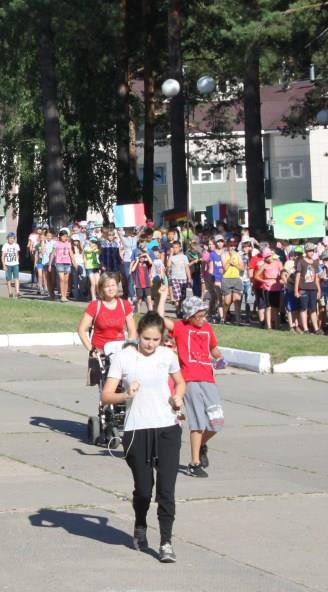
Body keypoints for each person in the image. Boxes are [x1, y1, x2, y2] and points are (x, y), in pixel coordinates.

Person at [101, 312, 186, 563]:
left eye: (155, 339)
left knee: (166, 490)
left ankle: (166, 542)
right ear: (138, 334)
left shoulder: (167, 356)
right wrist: (126, 394)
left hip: (167, 428)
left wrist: (177, 397)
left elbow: (180, 382)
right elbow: (106, 395)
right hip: (137, 430)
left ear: (162, 338)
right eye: (146, 338)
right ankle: (140, 523)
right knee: (144, 490)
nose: (150, 344)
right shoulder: (124, 358)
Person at [156, 293, 225, 478]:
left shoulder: (207, 328)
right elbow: (160, 319)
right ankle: (194, 464)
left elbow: (213, 348)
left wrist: (219, 357)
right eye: (199, 315)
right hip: (189, 379)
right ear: (189, 316)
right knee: (198, 422)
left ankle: (201, 444)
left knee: (217, 422)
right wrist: (163, 297)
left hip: (208, 378)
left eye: (204, 315)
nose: (203, 318)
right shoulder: (181, 327)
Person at [77, 273, 138, 357]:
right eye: (107, 286)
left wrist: (129, 347)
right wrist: (91, 350)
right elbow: (81, 329)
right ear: (101, 288)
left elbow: (132, 330)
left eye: (113, 285)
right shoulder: (94, 306)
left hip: (119, 352)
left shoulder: (125, 305)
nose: (111, 289)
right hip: (99, 353)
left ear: (117, 286)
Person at [294, 243, 322, 333]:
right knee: (304, 308)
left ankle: (316, 328)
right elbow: (297, 277)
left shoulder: (315, 262)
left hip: (313, 288)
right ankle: (305, 328)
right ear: (305, 252)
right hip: (303, 288)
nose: (311, 252)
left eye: (312, 251)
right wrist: (296, 290)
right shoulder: (301, 262)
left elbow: (316, 277)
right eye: (309, 251)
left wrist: (319, 289)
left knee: (313, 309)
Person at [167, 241, 191, 306]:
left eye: (176, 247)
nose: (175, 249)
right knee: (177, 296)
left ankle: (180, 308)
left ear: (180, 248)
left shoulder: (184, 257)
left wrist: (189, 278)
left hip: (183, 278)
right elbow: (168, 265)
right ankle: (178, 309)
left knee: (183, 296)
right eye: (174, 247)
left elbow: (187, 268)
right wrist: (171, 254)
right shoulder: (172, 257)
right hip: (175, 278)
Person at [53, 229, 74, 302]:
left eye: (66, 236)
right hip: (59, 263)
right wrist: (50, 263)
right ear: (60, 236)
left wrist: (74, 263)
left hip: (67, 263)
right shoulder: (56, 244)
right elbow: (53, 253)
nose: (65, 238)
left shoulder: (68, 244)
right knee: (61, 279)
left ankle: (65, 295)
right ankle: (62, 295)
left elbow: (71, 253)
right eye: (64, 236)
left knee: (66, 280)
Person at [1, 232, 21, 299]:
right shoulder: (5, 246)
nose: (11, 239)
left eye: (13, 238)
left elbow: (17, 254)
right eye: (10, 238)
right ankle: (10, 292)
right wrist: (4, 265)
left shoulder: (16, 245)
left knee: (16, 278)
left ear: (14, 239)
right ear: (7, 239)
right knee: (8, 279)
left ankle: (17, 292)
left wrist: (17, 261)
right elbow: (3, 256)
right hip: (8, 264)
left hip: (15, 264)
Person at [83, 237, 101, 301]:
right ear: (89, 242)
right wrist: (95, 248)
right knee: (93, 283)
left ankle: (98, 295)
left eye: (94, 242)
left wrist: (99, 248)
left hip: (96, 267)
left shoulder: (96, 249)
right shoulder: (86, 248)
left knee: (97, 283)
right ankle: (93, 297)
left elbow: (99, 252)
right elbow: (89, 252)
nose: (93, 243)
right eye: (92, 242)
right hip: (89, 267)